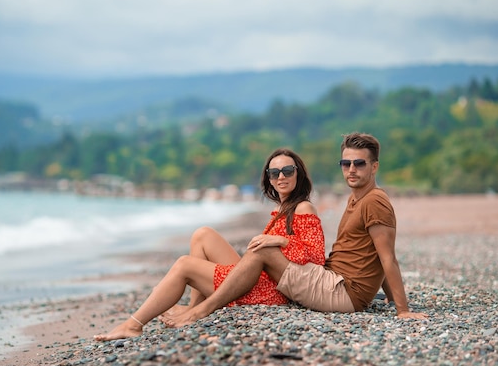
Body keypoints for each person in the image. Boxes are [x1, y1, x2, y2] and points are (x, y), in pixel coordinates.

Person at [162, 132, 428, 327]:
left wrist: (402, 310)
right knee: (207, 236)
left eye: (359, 163)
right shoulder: (357, 198)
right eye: (346, 164)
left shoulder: (375, 201)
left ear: (374, 166)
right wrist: (391, 300)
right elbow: (372, 255)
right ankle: (196, 306)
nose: (351, 169)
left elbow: (387, 257)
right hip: (336, 282)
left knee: (262, 252)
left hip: (343, 292)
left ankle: (200, 311)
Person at [94, 148, 326, 341]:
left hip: (269, 290)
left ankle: (133, 324)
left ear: (299, 175)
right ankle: (195, 304)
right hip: (258, 277)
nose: (281, 177)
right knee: (203, 234)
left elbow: (316, 258)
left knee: (184, 264)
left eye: (287, 171)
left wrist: (281, 240)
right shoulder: (281, 210)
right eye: (274, 172)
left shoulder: (303, 207)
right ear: (268, 178)